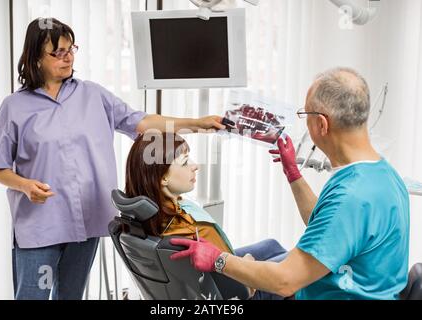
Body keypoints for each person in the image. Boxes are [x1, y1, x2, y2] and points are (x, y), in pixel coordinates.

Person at [0, 17, 226, 300]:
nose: (67, 58)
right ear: (36, 58)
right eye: (58, 52)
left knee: (71, 297)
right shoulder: (14, 108)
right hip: (40, 226)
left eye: (71, 49)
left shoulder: (92, 94)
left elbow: (140, 122)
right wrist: (25, 185)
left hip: (86, 222)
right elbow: (0, 169)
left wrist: (197, 123)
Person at [170, 67, 410, 300]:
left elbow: (285, 281)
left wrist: (217, 259)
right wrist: (292, 171)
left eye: (305, 115)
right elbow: (327, 226)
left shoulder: (351, 196)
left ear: (322, 125)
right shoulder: (382, 174)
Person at [125, 132, 288, 299]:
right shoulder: (187, 230)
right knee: (299, 268)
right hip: (240, 289)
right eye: (185, 162)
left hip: (219, 269)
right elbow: (237, 287)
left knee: (272, 245)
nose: (195, 166)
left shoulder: (151, 215)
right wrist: (247, 265)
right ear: (163, 178)